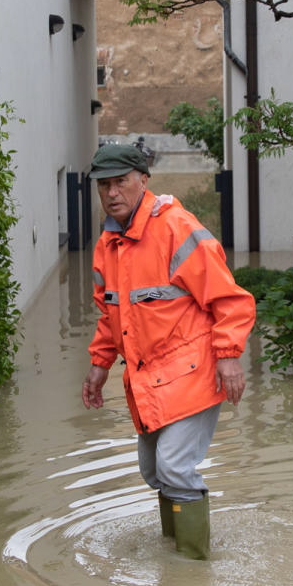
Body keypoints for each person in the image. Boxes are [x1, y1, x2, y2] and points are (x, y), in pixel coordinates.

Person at [81, 141, 255, 559]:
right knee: (153, 471)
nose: (112, 193)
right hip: (148, 378)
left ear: (143, 180)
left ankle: (192, 572)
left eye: (120, 182)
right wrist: (99, 364)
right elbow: (112, 314)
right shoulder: (109, 241)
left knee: (175, 468)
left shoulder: (177, 227)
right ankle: (175, 553)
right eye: (103, 185)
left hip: (192, 371)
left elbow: (230, 300)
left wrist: (229, 358)